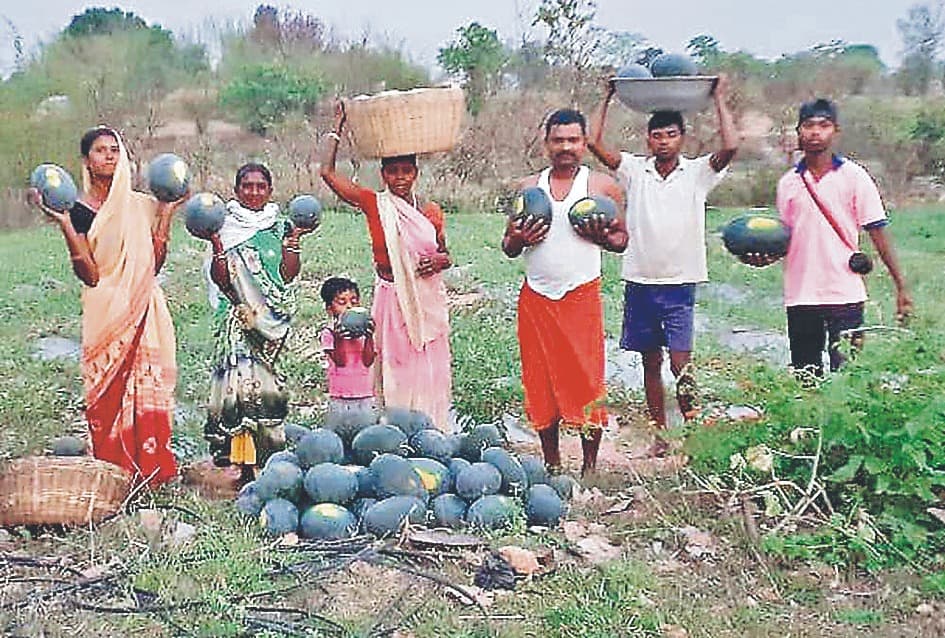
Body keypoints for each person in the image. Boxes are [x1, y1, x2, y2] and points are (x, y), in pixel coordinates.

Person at [589, 75, 738, 455]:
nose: (663, 141)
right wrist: (608, 97)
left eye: (671, 134)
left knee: (680, 364)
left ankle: (694, 431)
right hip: (640, 281)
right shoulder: (635, 170)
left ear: (681, 139)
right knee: (650, 364)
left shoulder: (699, 173)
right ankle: (659, 436)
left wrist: (719, 97)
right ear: (648, 140)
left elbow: (732, 145)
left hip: (680, 284)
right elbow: (593, 143)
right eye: (657, 136)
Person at [28, 126, 183, 486]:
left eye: (115, 149)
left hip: (144, 308)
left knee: (149, 385)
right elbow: (91, 274)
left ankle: (151, 470)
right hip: (106, 312)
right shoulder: (78, 210)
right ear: (86, 160)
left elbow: (154, 263)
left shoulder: (142, 205)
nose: (110, 156)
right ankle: (113, 473)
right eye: (100, 150)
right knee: (106, 391)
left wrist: (167, 213)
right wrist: (65, 224)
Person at [503, 108, 628, 475]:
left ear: (584, 143)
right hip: (537, 297)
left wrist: (604, 236)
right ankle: (552, 463)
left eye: (573, 140)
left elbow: (622, 240)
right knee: (539, 381)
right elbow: (508, 246)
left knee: (587, 381)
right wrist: (519, 238)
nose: (565, 147)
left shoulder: (602, 186)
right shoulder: (529, 188)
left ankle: (589, 467)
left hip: (580, 296)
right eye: (558, 140)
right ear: (546, 144)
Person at [749, 98, 912, 376]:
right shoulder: (788, 183)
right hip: (801, 294)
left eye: (823, 125)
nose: (815, 132)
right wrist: (761, 257)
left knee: (847, 377)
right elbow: (784, 239)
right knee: (806, 375)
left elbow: (878, 231)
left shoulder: (855, 177)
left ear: (835, 131)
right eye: (808, 125)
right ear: (798, 131)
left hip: (844, 292)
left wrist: (901, 287)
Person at [319, 104, 453, 431]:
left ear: (415, 173)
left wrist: (437, 261)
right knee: (393, 362)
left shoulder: (430, 211)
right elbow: (327, 174)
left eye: (406, 171)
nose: (400, 179)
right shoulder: (374, 204)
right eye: (393, 172)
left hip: (424, 298)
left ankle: (429, 426)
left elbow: (445, 254)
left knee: (425, 362)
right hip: (391, 296)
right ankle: (393, 426)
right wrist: (339, 124)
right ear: (383, 175)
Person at [202, 162, 314, 482]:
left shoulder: (279, 227)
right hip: (236, 319)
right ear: (236, 190)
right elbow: (222, 279)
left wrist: (294, 240)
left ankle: (265, 459)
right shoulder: (222, 226)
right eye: (247, 186)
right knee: (239, 390)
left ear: (270, 190)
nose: (253, 192)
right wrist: (216, 245)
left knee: (266, 389)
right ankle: (242, 464)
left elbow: (287, 275)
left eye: (260, 186)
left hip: (270, 324)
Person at [320, 276, 376, 413]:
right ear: (330, 309)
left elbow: (368, 361)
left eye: (354, 301)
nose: (349, 306)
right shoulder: (329, 334)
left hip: (365, 394)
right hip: (340, 396)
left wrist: (369, 336)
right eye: (342, 302)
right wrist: (338, 339)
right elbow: (340, 362)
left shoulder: (362, 332)